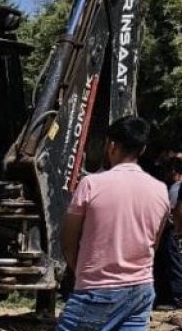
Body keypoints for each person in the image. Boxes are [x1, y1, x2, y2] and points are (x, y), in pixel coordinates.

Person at [59, 117, 170, 331]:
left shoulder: (90, 185)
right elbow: (153, 244)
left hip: (97, 289)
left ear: (111, 146)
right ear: (143, 148)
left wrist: (81, 271)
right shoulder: (160, 190)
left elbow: (68, 240)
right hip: (141, 289)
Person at [157, 157, 182, 310]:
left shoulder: (175, 188)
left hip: (173, 231)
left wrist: (176, 230)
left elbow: (177, 210)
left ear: (174, 171)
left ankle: (176, 298)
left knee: (175, 265)